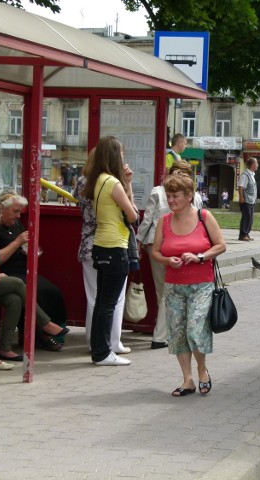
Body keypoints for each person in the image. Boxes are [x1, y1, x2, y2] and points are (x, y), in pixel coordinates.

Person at [151, 171, 226, 397]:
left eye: (175, 196)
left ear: (189, 195)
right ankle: (187, 380)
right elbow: (155, 251)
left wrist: (200, 257)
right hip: (174, 285)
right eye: (168, 196)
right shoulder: (164, 222)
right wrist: (167, 260)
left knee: (194, 329)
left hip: (202, 284)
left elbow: (221, 246)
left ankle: (203, 371)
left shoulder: (204, 217)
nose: (171, 200)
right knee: (177, 333)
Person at [81, 136, 138, 366]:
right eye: (121, 154)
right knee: (108, 303)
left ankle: (99, 350)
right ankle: (104, 353)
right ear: (115, 156)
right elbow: (133, 215)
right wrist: (128, 185)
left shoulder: (98, 181)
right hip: (116, 246)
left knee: (101, 302)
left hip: (101, 245)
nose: (123, 158)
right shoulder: (113, 183)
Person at [136, 160, 202, 349]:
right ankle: (162, 334)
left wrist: (138, 241)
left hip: (155, 244)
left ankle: (164, 331)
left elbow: (147, 219)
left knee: (163, 291)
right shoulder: (193, 196)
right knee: (170, 290)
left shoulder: (158, 191)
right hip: (179, 244)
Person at [0, 198, 69, 360]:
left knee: (18, 299)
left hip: (10, 273)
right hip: (10, 273)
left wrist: (30, 250)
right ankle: (45, 327)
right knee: (21, 285)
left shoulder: (12, 227)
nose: (18, 216)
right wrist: (17, 242)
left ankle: (4, 348)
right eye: (15, 211)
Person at [73, 149, 130, 355]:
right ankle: (113, 341)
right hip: (110, 242)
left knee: (94, 297)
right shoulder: (110, 183)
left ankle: (93, 340)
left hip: (87, 243)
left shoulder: (82, 181)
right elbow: (129, 212)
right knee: (115, 297)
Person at [238, 157, 259, 241]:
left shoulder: (252, 174)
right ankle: (243, 235)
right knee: (246, 217)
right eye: (256, 163)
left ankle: (246, 233)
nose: (257, 165)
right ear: (253, 165)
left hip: (251, 200)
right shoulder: (245, 175)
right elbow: (241, 186)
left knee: (250, 218)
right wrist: (241, 196)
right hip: (246, 200)